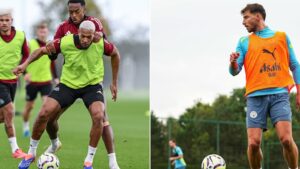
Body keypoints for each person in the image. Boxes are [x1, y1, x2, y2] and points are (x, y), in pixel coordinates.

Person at [15, 20, 120, 169]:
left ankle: (88, 162)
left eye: (88, 37)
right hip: (68, 85)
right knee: (45, 113)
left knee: (99, 116)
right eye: (82, 36)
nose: (85, 40)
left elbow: (116, 54)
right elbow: (41, 51)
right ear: (78, 33)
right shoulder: (65, 42)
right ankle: (31, 154)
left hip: (92, 86)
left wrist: (114, 82)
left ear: (93, 36)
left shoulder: (101, 42)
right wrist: (24, 65)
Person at [47, 1, 120, 168]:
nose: (73, 15)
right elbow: (53, 54)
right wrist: (51, 51)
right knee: (51, 118)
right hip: (71, 82)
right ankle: (54, 143)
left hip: (91, 81)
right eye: (70, 11)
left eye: (76, 11)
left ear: (83, 9)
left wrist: (114, 83)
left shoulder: (95, 23)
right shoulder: (63, 28)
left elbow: (106, 47)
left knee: (102, 118)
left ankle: (113, 162)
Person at [229, 3, 299, 169]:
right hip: (255, 97)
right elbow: (235, 71)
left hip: (279, 95)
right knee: (253, 143)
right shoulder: (243, 42)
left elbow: (295, 65)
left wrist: (299, 91)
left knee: (287, 140)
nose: (243, 22)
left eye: (246, 17)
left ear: (258, 16)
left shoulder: (281, 36)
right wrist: (232, 63)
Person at [22, 21, 59, 137]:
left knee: (47, 106)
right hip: (32, 81)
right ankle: (26, 125)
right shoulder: (30, 44)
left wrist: (56, 77)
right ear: (37, 32)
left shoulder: (50, 45)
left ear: (47, 31)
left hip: (46, 81)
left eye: (44, 30)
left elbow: (52, 62)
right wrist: (25, 73)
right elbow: (23, 60)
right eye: (40, 30)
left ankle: (42, 128)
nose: (42, 32)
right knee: (29, 107)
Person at [0, 9, 28, 159]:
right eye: (1, 20)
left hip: (12, 82)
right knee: (10, 110)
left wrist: (22, 66)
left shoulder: (21, 36)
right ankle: (15, 149)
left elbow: (27, 55)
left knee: (4, 117)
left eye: (6, 20)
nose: (4, 23)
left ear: (11, 21)